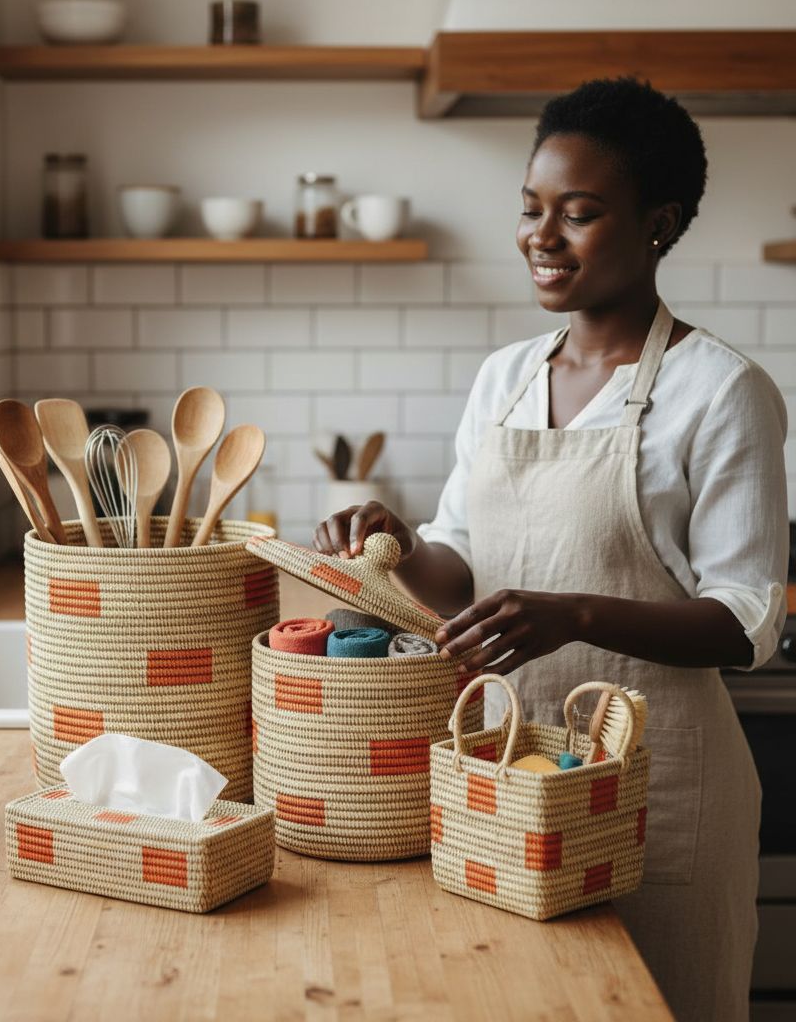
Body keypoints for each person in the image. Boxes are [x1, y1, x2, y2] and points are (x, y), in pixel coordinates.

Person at [314, 77, 787, 1022]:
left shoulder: (721, 391)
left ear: (659, 223)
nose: (541, 235)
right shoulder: (503, 379)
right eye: (531, 209)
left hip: (660, 788)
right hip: (510, 775)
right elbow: (458, 557)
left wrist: (571, 614)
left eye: (579, 214)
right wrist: (395, 545)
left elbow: (748, 621)